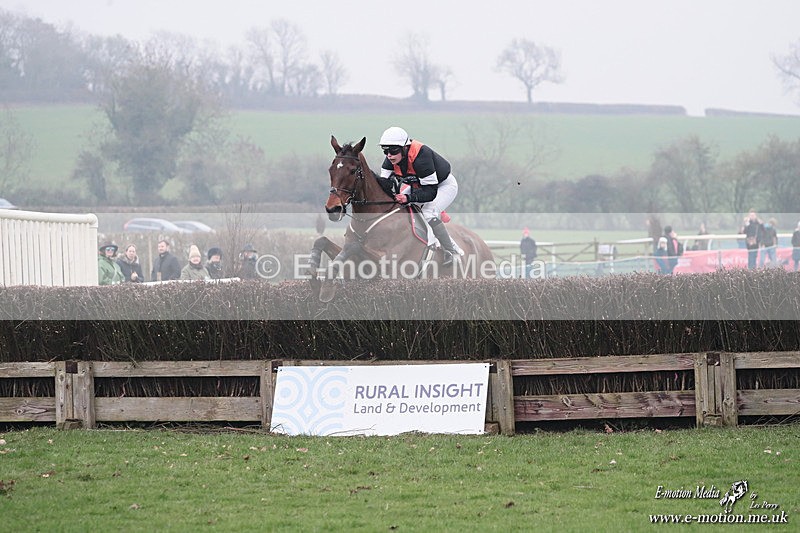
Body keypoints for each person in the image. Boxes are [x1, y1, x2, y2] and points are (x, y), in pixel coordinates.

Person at [378, 126, 463, 266]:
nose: (389, 155)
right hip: (419, 186)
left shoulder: (421, 156)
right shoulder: (390, 159)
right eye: (385, 151)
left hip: (443, 186)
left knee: (428, 212)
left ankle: (451, 251)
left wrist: (408, 198)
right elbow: (383, 184)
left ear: (405, 148)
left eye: (393, 151)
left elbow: (430, 192)